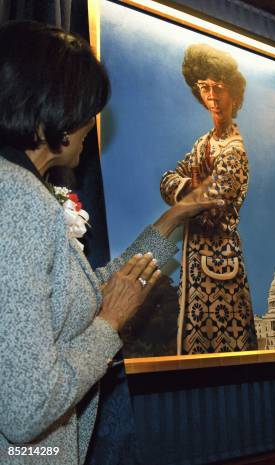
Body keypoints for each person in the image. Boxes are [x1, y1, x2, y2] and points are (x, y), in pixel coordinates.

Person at [0, 21, 221, 465]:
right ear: (54, 112)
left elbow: (80, 292)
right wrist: (110, 325)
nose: (90, 125)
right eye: (85, 109)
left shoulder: (20, 190)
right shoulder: (19, 199)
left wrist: (174, 215)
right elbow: (28, 409)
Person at [160, 43, 257, 354]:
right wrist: (195, 188)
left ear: (234, 93)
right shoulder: (203, 143)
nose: (212, 96)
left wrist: (193, 196)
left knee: (225, 352)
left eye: (220, 87)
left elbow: (212, 207)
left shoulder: (235, 150)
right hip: (195, 264)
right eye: (204, 87)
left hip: (221, 265)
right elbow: (166, 180)